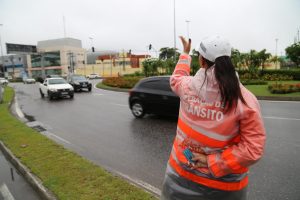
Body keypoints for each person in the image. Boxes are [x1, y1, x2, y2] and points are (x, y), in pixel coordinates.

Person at [161, 36, 266, 200]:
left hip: (179, 176)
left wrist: (185, 53)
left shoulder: (187, 86)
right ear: (228, 60)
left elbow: (176, 78)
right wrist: (214, 162)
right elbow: (253, 149)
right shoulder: (245, 99)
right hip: (224, 189)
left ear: (202, 61)